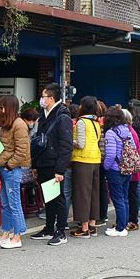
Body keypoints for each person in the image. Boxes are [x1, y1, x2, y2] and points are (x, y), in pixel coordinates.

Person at [31, 83, 73, 246]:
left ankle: (61, 231)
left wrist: (60, 169)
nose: (41, 100)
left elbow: (66, 145)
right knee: (48, 198)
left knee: (59, 198)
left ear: (51, 98)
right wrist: (35, 164)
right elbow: (37, 142)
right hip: (43, 162)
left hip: (55, 164)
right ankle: (49, 228)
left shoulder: (62, 117)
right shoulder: (43, 116)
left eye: (43, 96)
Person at [0, 95, 31, 248]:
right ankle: (5, 234)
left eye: (2, 107)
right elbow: (4, 147)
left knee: (14, 204)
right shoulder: (7, 123)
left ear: (9, 108)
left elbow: (21, 151)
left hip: (10, 169)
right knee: (5, 204)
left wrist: (8, 166)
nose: (0, 110)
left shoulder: (19, 125)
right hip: (4, 167)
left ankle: (17, 237)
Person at [69, 96, 101, 239]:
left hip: (83, 160)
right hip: (95, 159)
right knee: (94, 193)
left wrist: (70, 139)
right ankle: (93, 225)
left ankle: (84, 228)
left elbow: (80, 143)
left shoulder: (82, 122)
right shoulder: (95, 122)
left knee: (82, 194)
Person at [103, 107, 138, 237]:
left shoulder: (111, 133)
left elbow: (110, 154)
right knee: (124, 198)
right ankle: (123, 225)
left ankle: (120, 228)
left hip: (115, 170)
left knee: (117, 199)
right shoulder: (127, 131)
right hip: (127, 169)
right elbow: (133, 148)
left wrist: (106, 167)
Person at [123, 109, 140, 232]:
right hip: (134, 168)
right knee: (131, 195)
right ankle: (130, 219)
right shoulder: (131, 131)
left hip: (132, 168)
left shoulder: (129, 133)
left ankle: (133, 220)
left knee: (132, 195)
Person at [96, 101, 109, 226]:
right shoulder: (107, 122)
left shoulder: (98, 123)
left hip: (99, 158)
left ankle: (100, 215)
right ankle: (103, 214)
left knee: (99, 187)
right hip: (105, 158)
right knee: (103, 187)